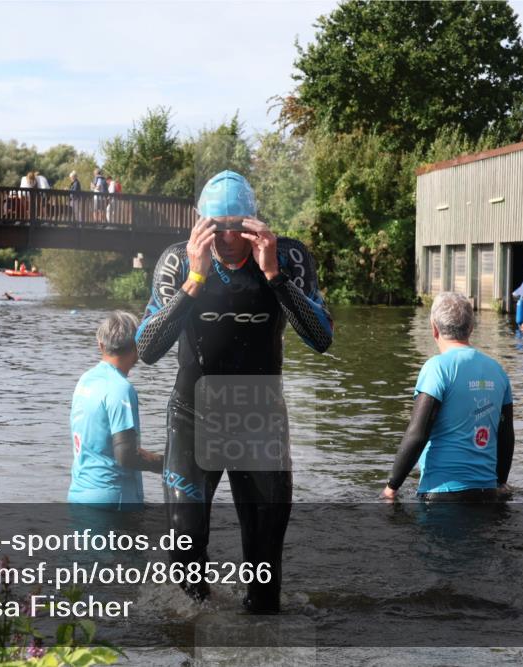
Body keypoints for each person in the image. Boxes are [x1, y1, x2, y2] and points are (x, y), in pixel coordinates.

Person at [136, 170, 334, 613]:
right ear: (199, 223)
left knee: (265, 566)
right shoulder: (177, 260)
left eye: (237, 227)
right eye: (216, 227)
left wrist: (274, 276)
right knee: (185, 553)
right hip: (193, 416)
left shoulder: (289, 257)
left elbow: (321, 338)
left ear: (254, 222)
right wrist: (195, 281)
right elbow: (146, 349)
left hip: (259, 419)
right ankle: (190, 643)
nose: (227, 238)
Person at [380, 292, 515, 502]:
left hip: (441, 494)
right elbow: (506, 436)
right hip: (486, 494)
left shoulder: (437, 368)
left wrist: (391, 487)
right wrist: (499, 483)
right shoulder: (498, 371)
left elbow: (417, 433)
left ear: (434, 328)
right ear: (471, 327)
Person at [69, 312, 163, 507]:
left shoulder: (85, 380)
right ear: (138, 346)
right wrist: (167, 464)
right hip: (113, 500)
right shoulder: (121, 389)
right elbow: (126, 456)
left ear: (100, 345)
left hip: (79, 495)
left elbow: (103, 444)